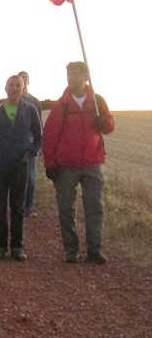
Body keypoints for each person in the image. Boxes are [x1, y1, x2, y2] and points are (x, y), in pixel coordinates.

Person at [43, 61, 115, 264]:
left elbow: (110, 125)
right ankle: (71, 250)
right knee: (66, 209)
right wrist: (50, 163)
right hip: (66, 165)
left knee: (95, 207)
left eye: (74, 74)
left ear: (85, 76)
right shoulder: (62, 104)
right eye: (68, 74)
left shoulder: (98, 102)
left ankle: (94, 250)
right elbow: (50, 135)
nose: (70, 77)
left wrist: (105, 123)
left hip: (93, 162)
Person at [0, 75, 42, 261]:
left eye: (18, 86)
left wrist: (30, 152)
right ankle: (0, 246)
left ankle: (17, 247)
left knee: (18, 208)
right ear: (5, 88)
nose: (15, 89)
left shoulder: (30, 109)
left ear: (23, 88)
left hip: (19, 166)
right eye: (12, 86)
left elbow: (39, 138)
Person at [18, 71, 43, 219]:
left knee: (31, 177)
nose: (23, 81)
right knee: (17, 176)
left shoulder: (35, 101)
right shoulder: (12, 100)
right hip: (16, 142)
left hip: (31, 141)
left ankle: (28, 207)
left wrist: (40, 145)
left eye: (25, 79)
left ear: (28, 81)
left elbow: (39, 124)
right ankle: (17, 205)